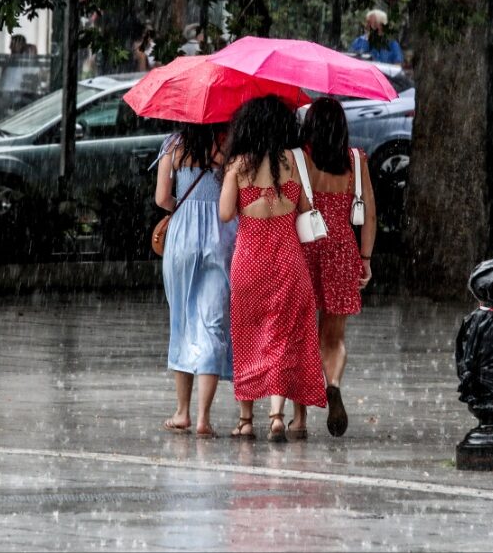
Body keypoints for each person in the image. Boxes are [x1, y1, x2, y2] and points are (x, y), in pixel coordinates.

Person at [219, 96, 327, 442]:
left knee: (248, 334)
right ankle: (277, 416)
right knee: (282, 335)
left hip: (249, 261)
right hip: (288, 261)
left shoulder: (238, 164)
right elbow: (306, 207)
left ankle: (246, 420)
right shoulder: (296, 162)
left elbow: (224, 213)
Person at [289, 97, 377, 438]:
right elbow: (369, 213)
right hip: (342, 250)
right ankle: (334, 383)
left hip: (306, 248)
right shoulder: (355, 161)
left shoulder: (300, 160)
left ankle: (299, 418)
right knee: (334, 337)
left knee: (301, 334)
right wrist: (365, 258)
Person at [155, 122, 237, 437]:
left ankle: (182, 412)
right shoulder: (226, 148)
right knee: (213, 324)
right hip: (221, 237)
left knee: (182, 321)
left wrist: (184, 208)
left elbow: (162, 197)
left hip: (182, 239)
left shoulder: (173, 146)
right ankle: (204, 417)